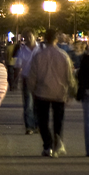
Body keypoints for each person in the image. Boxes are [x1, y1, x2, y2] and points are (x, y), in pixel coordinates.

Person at [27, 28, 75, 157]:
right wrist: (71, 91)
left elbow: (32, 76)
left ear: (44, 39)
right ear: (56, 39)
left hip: (42, 92)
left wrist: (32, 90)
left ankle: (47, 145)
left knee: (43, 121)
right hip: (60, 93)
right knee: (58, 121)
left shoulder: (38, 56)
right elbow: (69, 76)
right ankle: (57, 143)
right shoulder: (63, 55)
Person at [17, 32, 39, 134]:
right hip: (27, 77)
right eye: (27, 37)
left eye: (31, 36)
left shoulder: (40, 49)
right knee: (28, 103)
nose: (29, 38)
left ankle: (37, 125)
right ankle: (29, 127)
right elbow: (18, 64)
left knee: (38, 103)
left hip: (38, 78)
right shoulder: (22, 50)